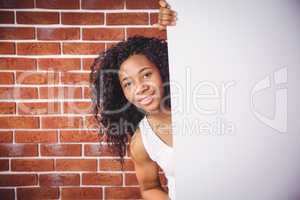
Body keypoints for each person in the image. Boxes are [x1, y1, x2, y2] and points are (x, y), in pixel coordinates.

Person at [90, 1, 177, 199]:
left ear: (162, 72)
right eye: (128, 84)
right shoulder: (141, 141)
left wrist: (180, 24)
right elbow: (149, 188)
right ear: (123, 94)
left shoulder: (198, 111)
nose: (140, 87)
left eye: (146, 75)